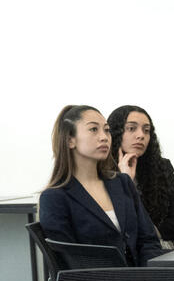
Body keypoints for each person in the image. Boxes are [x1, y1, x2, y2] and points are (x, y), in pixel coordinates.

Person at [39, 105, 162, 266]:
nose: (104, 137)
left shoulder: (123, 183)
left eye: (107, 130)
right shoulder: (54, 197)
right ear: (70, 140)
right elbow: (69, 261)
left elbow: (148, 240)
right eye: (93, 130)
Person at [107, 105, 174, 248]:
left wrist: (151, 233)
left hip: (165, 245)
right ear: (115, 133)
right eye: (131, 128)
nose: (141, 135)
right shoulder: (102, 171)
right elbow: (122, 226)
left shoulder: (162, 167)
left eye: (146, 130)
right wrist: (126, 181)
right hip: (128, 252)